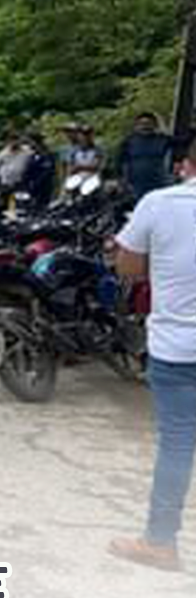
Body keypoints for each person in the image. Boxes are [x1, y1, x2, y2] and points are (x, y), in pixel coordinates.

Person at [109, 138, 196, 572]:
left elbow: (127, 267)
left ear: (183, 164)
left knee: (178, 443)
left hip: (178, 348)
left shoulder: (159, 203)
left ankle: (161, 542)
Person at [119, 113, 174, 201]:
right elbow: (121, 162)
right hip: (135, 183)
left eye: (148, 123)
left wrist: (164, 129)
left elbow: (183, 143)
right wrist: (123, 181)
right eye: (142, 124)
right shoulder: (128, 141)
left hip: (158, 182)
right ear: (136, 125)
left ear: (155, 125)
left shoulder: (163, 139)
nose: (145, 126)